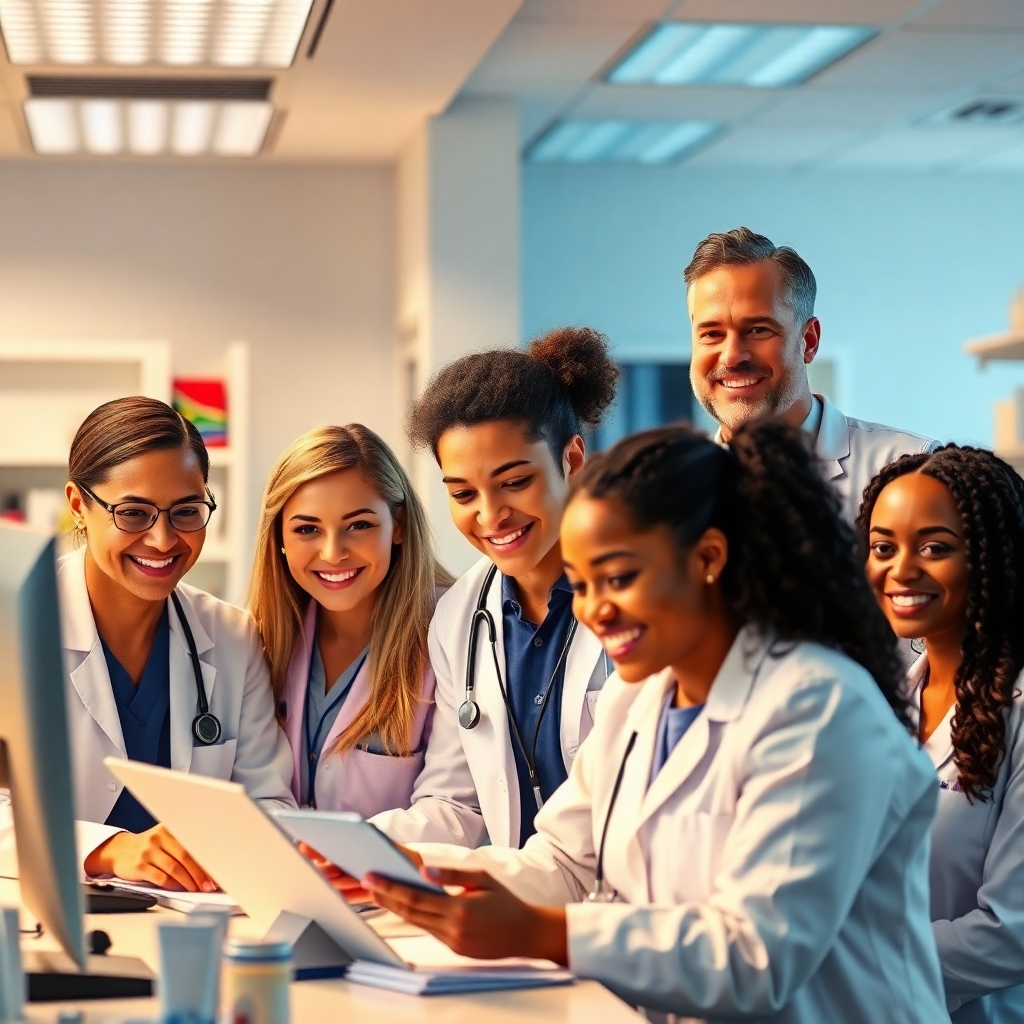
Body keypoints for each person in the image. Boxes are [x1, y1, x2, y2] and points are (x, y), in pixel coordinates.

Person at [364, 421, 947, 1024]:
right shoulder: (637, 699)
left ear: (708, 558)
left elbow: (756, 958)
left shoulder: (819, 708)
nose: (595, 609)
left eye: (619, 579)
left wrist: (544, 934)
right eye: (582, 585)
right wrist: (412, 869)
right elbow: (564, 863)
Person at [370, 327, 620, 850]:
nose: (490, 515)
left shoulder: (636, 593)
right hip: (525, 904)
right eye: (463, 493)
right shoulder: (459, 616)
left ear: (571, 460)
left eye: (513, 482)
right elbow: (455, 803)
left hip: (625, 902)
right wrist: (338, 844)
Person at [59, 397, 293, 890]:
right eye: (134, 513)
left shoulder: (232, 636)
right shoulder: (16, 628)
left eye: (187, 511)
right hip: (53, 917)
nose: (164, 540)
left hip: (196, 917)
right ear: (80, 505)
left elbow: (267, 800)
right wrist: (107, 849)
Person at [860, 446, 1024, 1023]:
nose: (901, 570)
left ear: (992, 555)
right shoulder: (882, 700)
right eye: (884, 547)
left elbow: (1013, 932)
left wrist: (851, 959)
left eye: (934, 547)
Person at [247, 425, 452, 815]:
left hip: (391, 872)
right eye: (307, 529)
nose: (333, 552)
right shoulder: (261, 638)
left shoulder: (450, 633)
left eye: (358, 525)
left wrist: (332, 851)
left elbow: (450, 808)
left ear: (399, 526)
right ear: (280, 540)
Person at [686, 226, 936, 521]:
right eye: (712, 334)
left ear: (810, 341)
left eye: (757, 330)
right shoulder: (675, 488)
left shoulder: (909, 468)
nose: (731, 356)